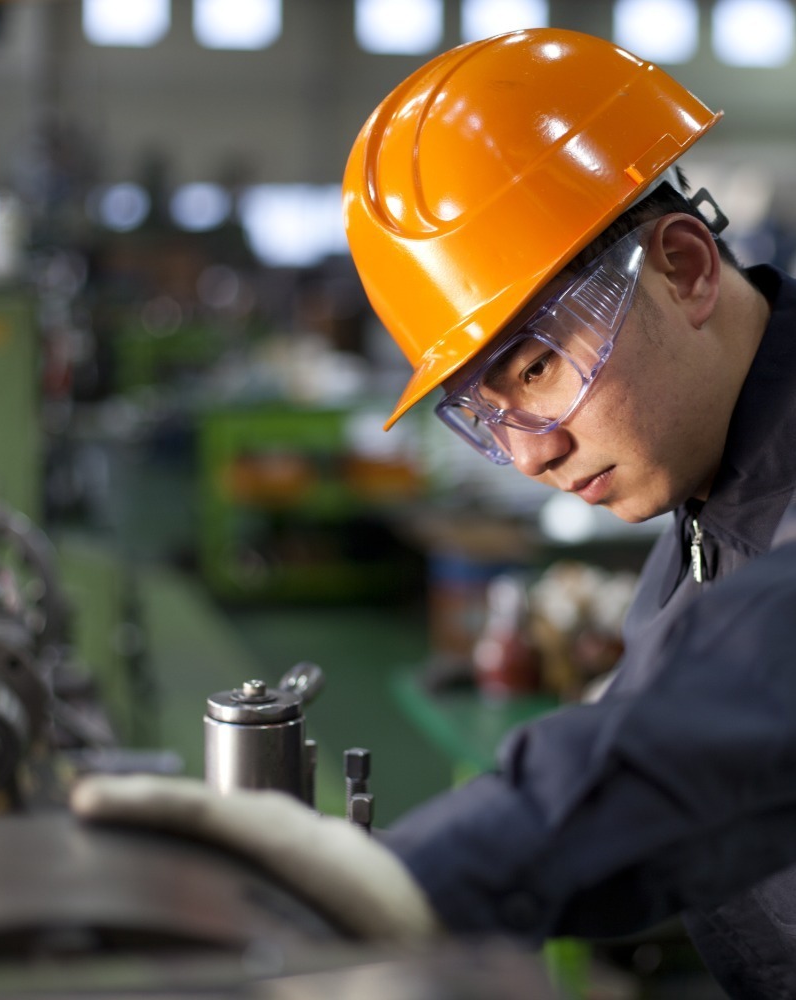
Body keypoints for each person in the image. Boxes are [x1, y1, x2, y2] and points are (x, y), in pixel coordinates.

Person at [73, 28, 796, 999]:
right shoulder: (700, 531)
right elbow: (657, 772)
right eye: (485, 414)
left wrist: (419, 877)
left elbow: (747, 694)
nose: (531, 449)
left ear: (686, 268)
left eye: (539, 367)